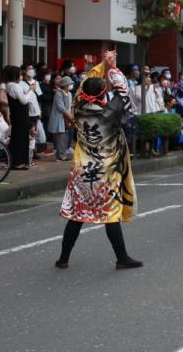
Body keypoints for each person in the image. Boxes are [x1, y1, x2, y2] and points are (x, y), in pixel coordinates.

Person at [56, 51, 142, 270]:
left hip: (83, 170)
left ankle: (63, 258)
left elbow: (84, 85)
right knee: (110, 214)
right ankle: (122, 258)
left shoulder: (78, 108)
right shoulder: (109, 113)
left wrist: (103, 64)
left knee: (77, 214)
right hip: (106, 171)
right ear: (104, 94)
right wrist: (112, 69)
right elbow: (123, 91)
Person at [3, 66, 31, 170]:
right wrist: (30, 91)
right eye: (19, 74)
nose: (21, 76)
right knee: (21, 138)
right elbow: (24, 100)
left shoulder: (8, 85)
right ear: (15, 75)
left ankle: (14, 161)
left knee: (16, 137)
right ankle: (19, 162)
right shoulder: (15, 86)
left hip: (15, 114)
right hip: (21, 115)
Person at [49, 76, 75, 161]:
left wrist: (71, 117)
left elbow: (70, 107)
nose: (71, 85)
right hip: (59, 118)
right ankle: (62, 156)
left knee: (65, 136)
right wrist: (71, 118)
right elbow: (61, 108)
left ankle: (61, 154)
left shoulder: (70, 94)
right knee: (60, 137)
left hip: (66, 118)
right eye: (70, 84)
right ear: (66, 85)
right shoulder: (58, 94)